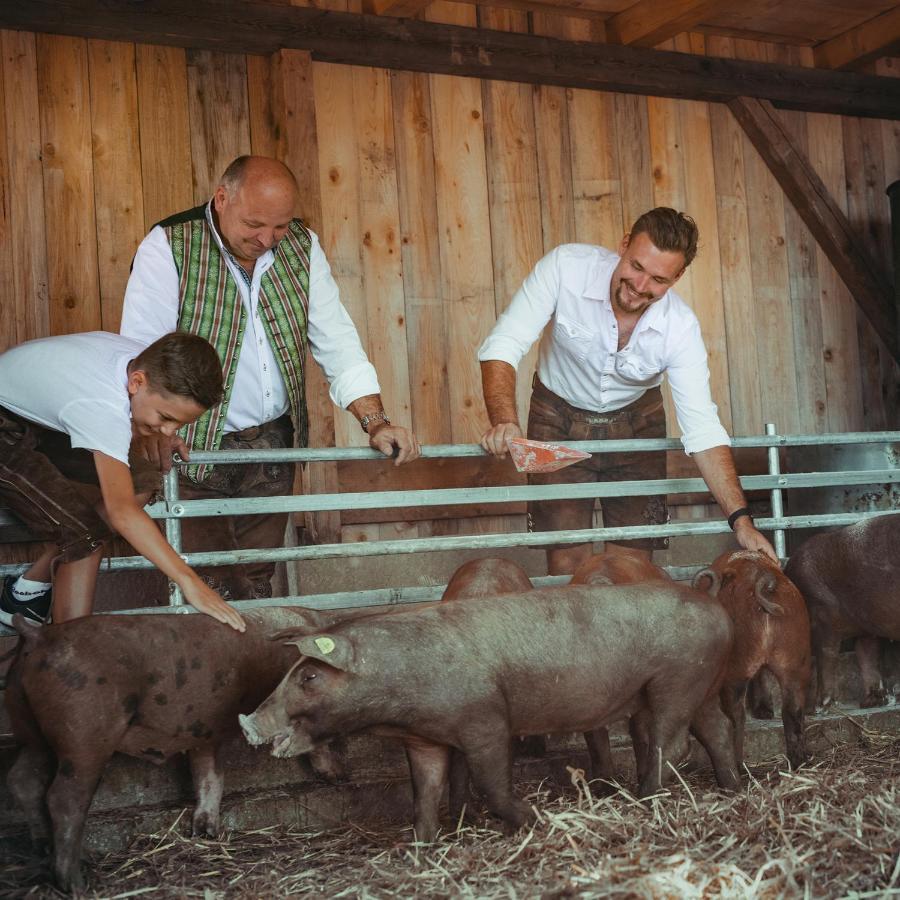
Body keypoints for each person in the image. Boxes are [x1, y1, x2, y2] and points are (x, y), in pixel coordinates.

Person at [121, 155, 420, 600]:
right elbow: (140, 350)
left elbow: (334, 336)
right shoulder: (170, 244)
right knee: (206, 580)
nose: (266, 239)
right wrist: (152, 434)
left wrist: (375, 420)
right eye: (254, 224)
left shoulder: (301, 245)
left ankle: (256, 665)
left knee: (258, 578)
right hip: (191, 446)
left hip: (272, 445)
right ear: (221, 199)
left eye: (279, 227)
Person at [478, 207, 777, 575]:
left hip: (637, 425)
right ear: (623, 245)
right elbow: (504, 343)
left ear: (678, 277)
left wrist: (741, 522)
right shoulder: (566, 268)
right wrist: (504, 421)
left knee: (632, 565)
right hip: (556, 419)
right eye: (636, 266)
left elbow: (702, 428)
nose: (639, 287)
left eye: (658, 279)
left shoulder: (680, 328)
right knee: (566, 559)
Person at [0, 331, 244, 631]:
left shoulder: (147, 365)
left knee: (142, 478)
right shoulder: (101, 406)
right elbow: (122, 512)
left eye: (180, 424)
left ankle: (26, 591)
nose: (169, 432)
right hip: (6, 426)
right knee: (83, 535)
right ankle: (70, 655)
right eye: (166, 417)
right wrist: (190, 583)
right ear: (136, 382)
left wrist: (156, 427)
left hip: (33, 419)